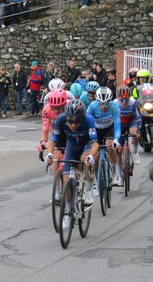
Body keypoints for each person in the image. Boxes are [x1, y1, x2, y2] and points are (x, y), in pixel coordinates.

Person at [47, 99, 99, 228]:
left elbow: (95, 142)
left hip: (86, 144)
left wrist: (92, 156)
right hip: (71, 145)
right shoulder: (60, 119)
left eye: (77, 121)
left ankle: (88, 189)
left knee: (86, 159)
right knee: (66, 181)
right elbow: (53, 139)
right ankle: (69, 212)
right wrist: (49, 153)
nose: (73, 125)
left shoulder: (89, 119)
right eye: (70, 121)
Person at [87, 87, 122, 187]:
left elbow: (117, 125)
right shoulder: (92, 107)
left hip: (109, 128)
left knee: (110, 147)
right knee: (95, 156)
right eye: (101, 103)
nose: (103, 106)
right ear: (96, 101)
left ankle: (115, 174)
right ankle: (96, 180)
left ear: (110, 101)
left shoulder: (115, 106)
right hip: (96, 129)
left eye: (106, 103)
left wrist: (116, 139)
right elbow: (88, 125)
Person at [38, 89, 68, 178]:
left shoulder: (70, 108)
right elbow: (45, 128)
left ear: (64, 105)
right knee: (56, 156)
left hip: (70, 127)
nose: (55, 111)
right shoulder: (46, 110)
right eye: (53, 108)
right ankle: (58, 187)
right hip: (58, 128)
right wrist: (43, 142)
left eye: (58, 108)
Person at [114, 85, 142, 166]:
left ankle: (135, 152)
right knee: (119, 150)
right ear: (118, 98)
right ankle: (118, 176)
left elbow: (138, 118)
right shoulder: (114, 103)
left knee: (134, 132)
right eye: (121, 100)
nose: (124, 102)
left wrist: (138, 130)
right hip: (120, 123)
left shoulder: (134, 103)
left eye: (126, 99)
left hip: (131, 121)